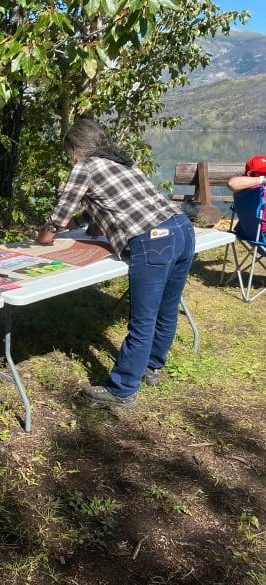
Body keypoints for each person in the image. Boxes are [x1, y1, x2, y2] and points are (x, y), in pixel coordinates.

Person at [35, 118, 195, 408]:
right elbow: (107, 207)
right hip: (182, 229)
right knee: (166, 310)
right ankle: (151, 368)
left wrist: (45, 236)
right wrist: (77, 222)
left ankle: (123, 389)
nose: (70, 157)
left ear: (75, 148)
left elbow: (60, 215)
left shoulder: (85, 167)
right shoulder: (123, 164)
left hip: (154, 239)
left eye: (69, 151)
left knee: (143, 320)